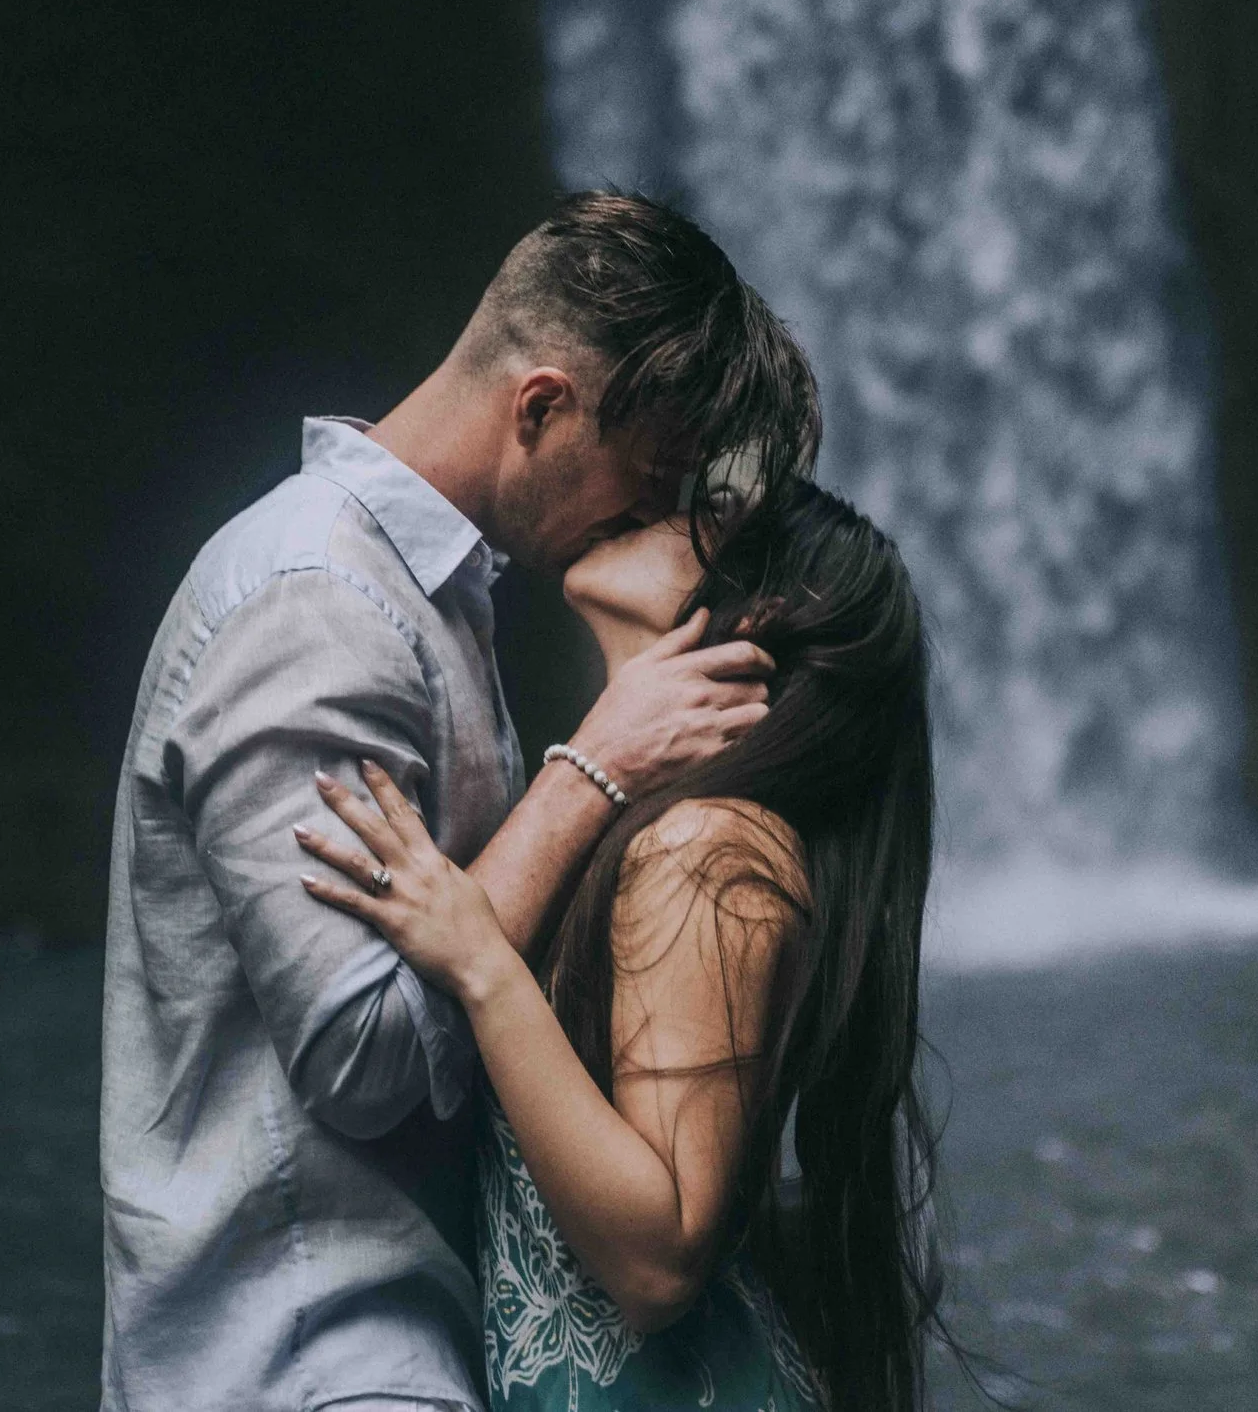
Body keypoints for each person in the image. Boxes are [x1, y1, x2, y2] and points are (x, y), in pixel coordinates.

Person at [99, 192, 820, 1412]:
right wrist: (593, 766)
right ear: (541, 405)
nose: (648, 518)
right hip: (312, 1359)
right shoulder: (314, 606)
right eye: (643, 481)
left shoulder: (429, 595)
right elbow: (365, 1055)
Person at [299, 480, 944, 1412]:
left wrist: (482, 960)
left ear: (756, 610)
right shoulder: (659, 831)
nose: (642, 496)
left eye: (697, 509)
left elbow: (657, 1259)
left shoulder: (710, 850)